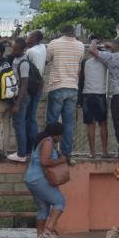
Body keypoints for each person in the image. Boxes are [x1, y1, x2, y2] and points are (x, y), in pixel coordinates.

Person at [45, 25, 85, 164]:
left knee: (52, 122)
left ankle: (49, 152)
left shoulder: (54, 44)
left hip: (57, 86)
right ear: (74, 33)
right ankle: (67, 154)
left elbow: (46, 60)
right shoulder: (80, 46)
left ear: (62, 32)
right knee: (68, 123)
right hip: (73, 88)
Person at [25, 122, 67, 238]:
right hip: (39, 178)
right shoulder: (48, 142)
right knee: (60, 202)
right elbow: (44, 161)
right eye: (60, 135)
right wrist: (62, 161)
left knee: (43, 208)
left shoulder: (41, 140)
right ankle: (48, 231)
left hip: (30, 179)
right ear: (55, 134)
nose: (61, 138)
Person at [8, 38, 33, 163]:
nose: (13, 50)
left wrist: (18, 103)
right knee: (18, 124)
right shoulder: (16, 58)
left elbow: (24, 84)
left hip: (21, 98)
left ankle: (22, 154)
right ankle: (22, 151)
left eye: (15, 49)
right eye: (13, 48)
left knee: (19, 125)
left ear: (22, 49)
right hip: (16, 96)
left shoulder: (24, 63)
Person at [80, 54, 109, 158]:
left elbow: (81, 79)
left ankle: (92, 152)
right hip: (100, 94)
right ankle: (105, 152)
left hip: (87, 95)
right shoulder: (105, 61)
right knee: (103, 124)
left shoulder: (85, 62)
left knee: (90, 125)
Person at [25, 30, 46, 153]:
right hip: (39, 86)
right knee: (31, 116)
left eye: (29, 36)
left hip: (30, 87)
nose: (27, 38)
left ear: (34, 38)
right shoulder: (42, 47)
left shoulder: (30, 52)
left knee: (29, 118)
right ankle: (32, 147)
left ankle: (34, 147)